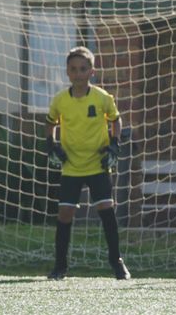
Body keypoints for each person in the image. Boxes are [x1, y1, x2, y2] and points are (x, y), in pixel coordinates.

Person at [44, 46, 130, 280]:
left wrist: (114, 144)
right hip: (71, 166)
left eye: (83, 69)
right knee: (64, 214)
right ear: (67, 72)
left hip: (97, 165)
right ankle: (60, 267)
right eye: (73, 69)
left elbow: (116, 120)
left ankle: (117, 263)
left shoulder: (102, 98)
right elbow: (50, 123)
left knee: (106, 211)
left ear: (92, 71)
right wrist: (51, 145)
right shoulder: (61, 100)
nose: (78, 73)